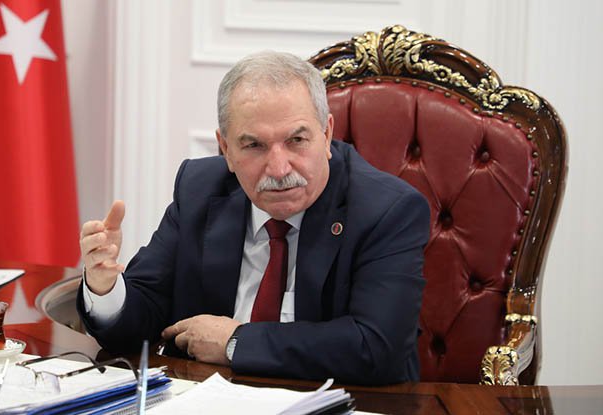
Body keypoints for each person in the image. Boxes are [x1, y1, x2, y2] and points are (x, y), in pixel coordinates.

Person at [77, 51, 430, 385]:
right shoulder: (199, 190)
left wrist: (236, 342)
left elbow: (376, 348)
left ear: (325, 135)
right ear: (226, 149)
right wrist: (105, 288)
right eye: (254, 146)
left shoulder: (387, 210)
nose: (279, 169)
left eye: (296, 140)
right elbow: (142, 316)